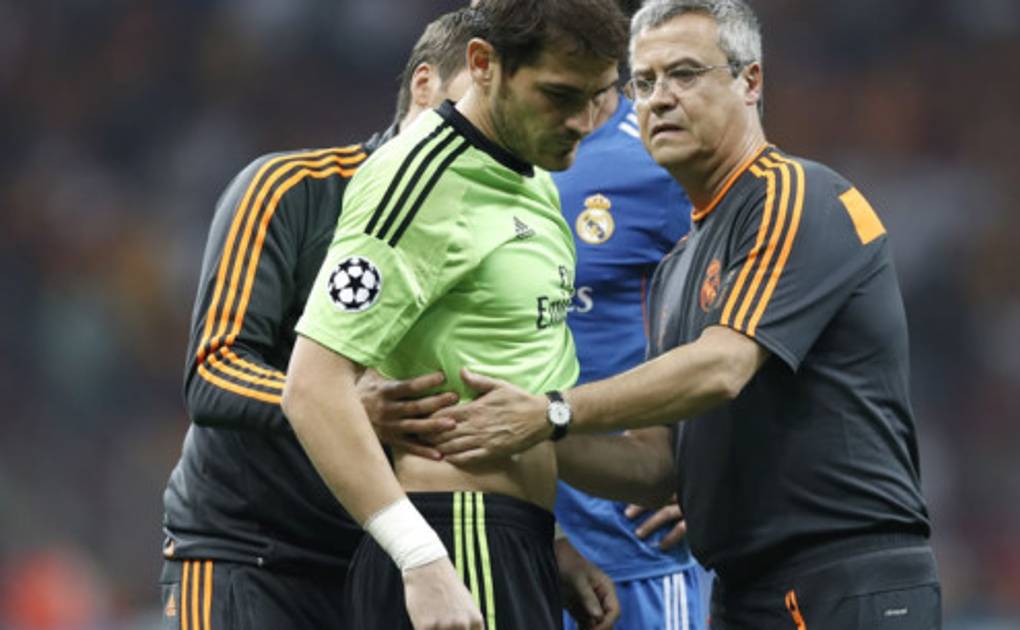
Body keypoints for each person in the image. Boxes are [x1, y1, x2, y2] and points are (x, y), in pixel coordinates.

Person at [425, 1, 943, 627]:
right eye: (644, 82)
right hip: (743, 588)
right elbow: (654, 467)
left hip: (842, 574)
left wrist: (552, 409)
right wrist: (524, 433)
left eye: (686, 73)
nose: (660, 99)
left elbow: (723, 367)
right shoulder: (677, 267)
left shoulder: (793, 193)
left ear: (750, 81)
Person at [160, 10, 611, 629]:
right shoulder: (289, 189)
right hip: (251, 551)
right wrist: (350, 405)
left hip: (382, 548)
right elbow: (214, 369)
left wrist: (549, 541)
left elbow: (475, 391)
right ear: (426, 85)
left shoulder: (501, 201)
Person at [280, 1, 628, 629]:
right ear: (483, 64)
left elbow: (501, 369)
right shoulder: (421, 178)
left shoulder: (529, 173)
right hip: (458, 539)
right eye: (559, 95)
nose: (582, 122)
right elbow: (311, 387)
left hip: (510, 541)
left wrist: (550, 545)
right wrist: (423, 561)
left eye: (598, 96)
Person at [549, 53, 708, 630]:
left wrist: (716, 472)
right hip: (510, 540)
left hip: (630, 547)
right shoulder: (474, 166)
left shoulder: (656, 160)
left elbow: (749, 325)